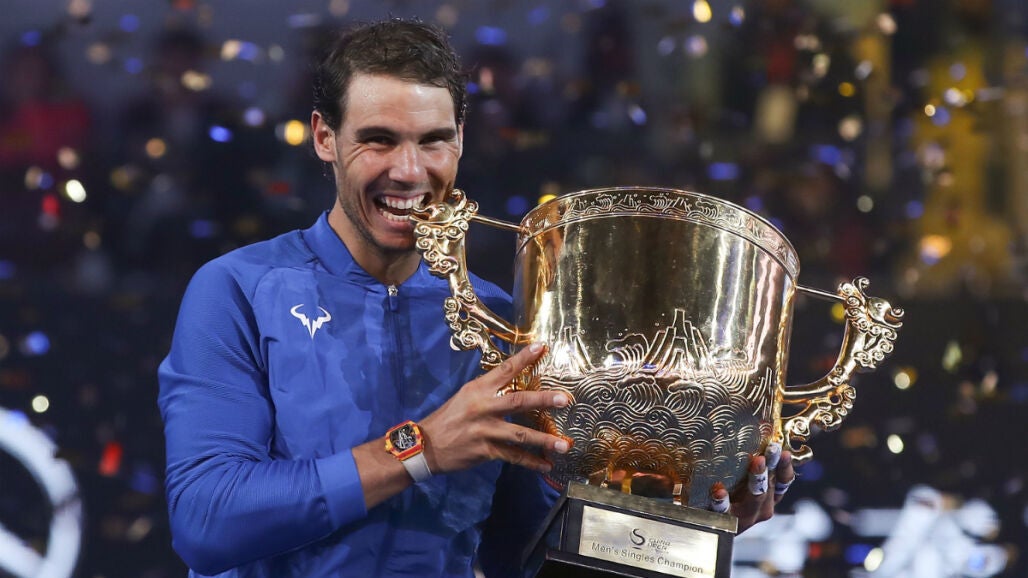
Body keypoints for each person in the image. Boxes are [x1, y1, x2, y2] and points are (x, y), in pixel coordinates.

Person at [158, 18, 795, 578]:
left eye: (433, 140)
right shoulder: (239, 289)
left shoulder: (503, 324)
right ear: (325, 138)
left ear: (461, 138)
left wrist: (680, 523)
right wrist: (420, 449)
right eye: (379, 139)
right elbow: (207, 521)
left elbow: (527, 558)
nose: (410, 171)